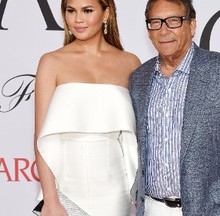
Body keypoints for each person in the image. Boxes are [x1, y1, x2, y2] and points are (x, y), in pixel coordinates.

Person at [129, 0, 220, 215]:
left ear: (192, 26)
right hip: (151, 208)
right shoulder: (139, 79)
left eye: (173, 21)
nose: (163, 30)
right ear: (148, 30)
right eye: (155, 22)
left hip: (212, 210)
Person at [33, 0, 140, 215]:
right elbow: (39, 136)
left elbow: (137, 137)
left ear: (106, 13)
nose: (78, 19)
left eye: (87, 10)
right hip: (65, 187)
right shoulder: (51, 61)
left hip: (116, 190)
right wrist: (50, 199)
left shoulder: (129, 63)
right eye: (71, 11)